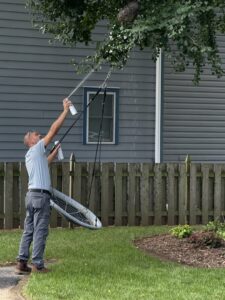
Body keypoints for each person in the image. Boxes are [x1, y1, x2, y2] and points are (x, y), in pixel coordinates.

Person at [16, 98, 72, 274]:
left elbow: (45, 162)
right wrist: (65, 111)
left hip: (31, 197)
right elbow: (53, 130)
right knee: (40, 230)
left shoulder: (31, 155)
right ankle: (38, 264)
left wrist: (54, 153)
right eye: (34, 134)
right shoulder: (37, 147)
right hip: (40, 197)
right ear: (31, 141)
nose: (37, 134)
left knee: (29, 230)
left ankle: (21, 262)